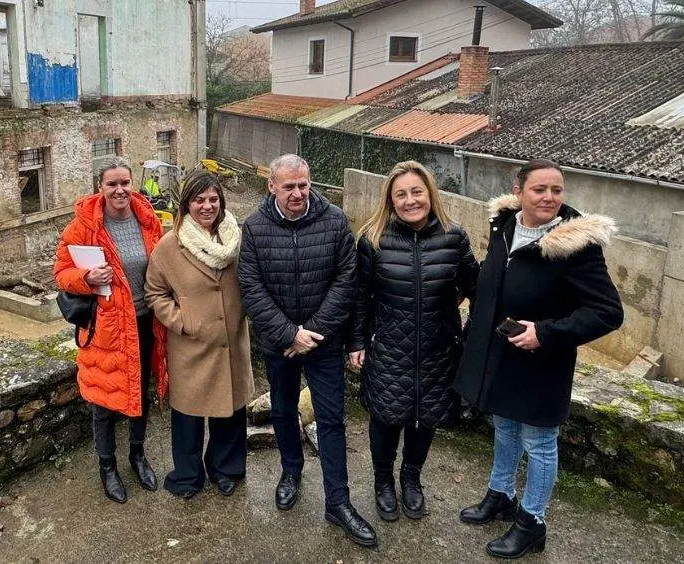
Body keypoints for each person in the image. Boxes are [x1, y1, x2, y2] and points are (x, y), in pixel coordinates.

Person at [453, 158, 623, 558]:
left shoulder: (575, 245)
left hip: (543, 360)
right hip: (503, 353)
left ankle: (532, 522)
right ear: (519, 191)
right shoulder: (506, 227)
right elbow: (493, 278)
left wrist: (545, 333)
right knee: (505, 427)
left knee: (540, 442)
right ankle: (501, 495)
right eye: (539, 189)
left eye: (557, 190)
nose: (549, 197)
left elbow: (608, 311)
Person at [239, 154, 378, 548]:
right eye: (289, 186)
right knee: (283, 411)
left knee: (332, 419)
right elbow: (251, 288)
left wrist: (312, 332)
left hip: (323, 342)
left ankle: (338, 500)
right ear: (272, 186)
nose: (299, 193)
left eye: (304, 185)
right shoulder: (254, 227)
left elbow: (346, 280)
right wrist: (289, 334)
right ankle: (291, 472)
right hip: (279, 344)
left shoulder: (334, 221)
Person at [347, 161, 479, 523]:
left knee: (425, 419)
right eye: (401, 194)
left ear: (430, 193)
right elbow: (359, 297)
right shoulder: (373, 239)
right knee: (386, 418)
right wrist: (357, 342)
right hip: (389, 347)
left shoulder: (454, 237)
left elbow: (477, 291)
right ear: (390, 199)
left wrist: (465, 339)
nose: (410, 201)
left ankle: (411, 478)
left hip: (439, 350)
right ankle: (383, 481)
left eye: (416, 192)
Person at [53, 157, 168, 504]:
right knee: (102, 403)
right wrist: (86, 278)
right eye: (111, 184)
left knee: (141, 394)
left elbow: (161, 265)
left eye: (125, 183)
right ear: (99, 188)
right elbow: (61, 273)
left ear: (132, 184)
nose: (120, 190)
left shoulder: (147, 220)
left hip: (146, 321)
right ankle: (107, 467)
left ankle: (137, 455)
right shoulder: (83, 226)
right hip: (107, 327)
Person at [145, 169, 255, 499]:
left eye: (213, 199)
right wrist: (182, 320)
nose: (207, 206)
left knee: (230, 413)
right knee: (188, 418)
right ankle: (188, 474)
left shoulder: (235, 239)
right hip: (190, 344)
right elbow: (155, 293)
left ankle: (226, 469)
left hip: (232, 341)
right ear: (186, 205)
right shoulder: (169, 246)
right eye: (199, 200)